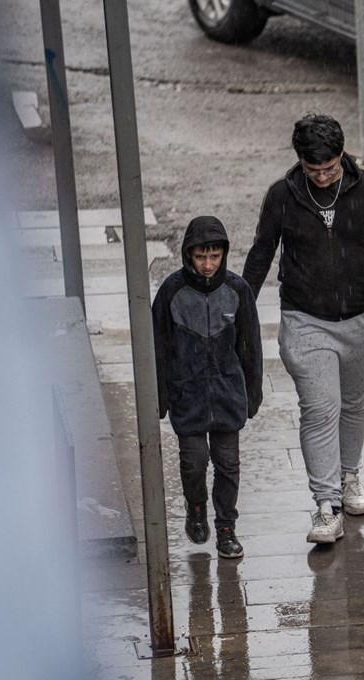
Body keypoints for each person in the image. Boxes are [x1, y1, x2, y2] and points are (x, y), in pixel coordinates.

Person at [243, 113, 364, 544]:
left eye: (331, 168)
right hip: (305, 319)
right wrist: (239, 307)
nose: (325, 177)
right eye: (315, 171)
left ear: (342, 156)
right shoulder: (283, 196)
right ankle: (326, 505)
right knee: (320, 408)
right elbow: (261, 253)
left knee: (353, 403)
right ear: (300, 163)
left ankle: (350, 478)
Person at [152, 215, 263, 559]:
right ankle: (196, 506)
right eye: (201, 257)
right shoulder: (171, 292)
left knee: (228, 464)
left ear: (223, 254)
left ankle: (227, 528)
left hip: (227, 394)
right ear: (188, 255)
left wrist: (252, 392)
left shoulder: (237, 290)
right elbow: (158, 348)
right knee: (194, 463)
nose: (208, 264)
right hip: (188, 395)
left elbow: (250, 345)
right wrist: (160, 397)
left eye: (214, 256)